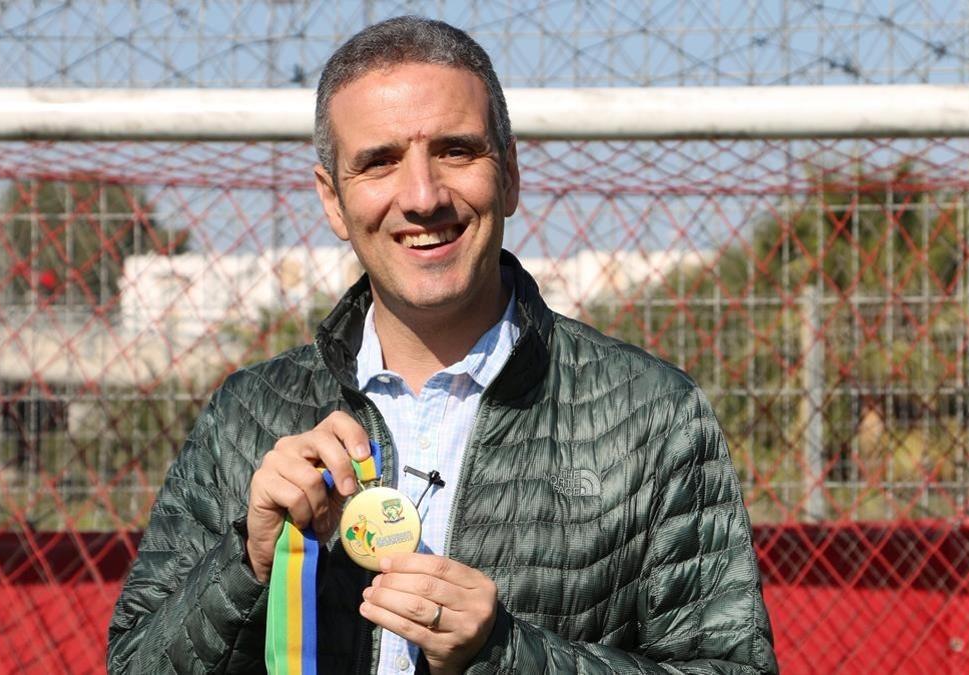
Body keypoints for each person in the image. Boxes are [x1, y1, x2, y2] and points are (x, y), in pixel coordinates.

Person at [108, 15, 777, 675]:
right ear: (333, 200)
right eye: (380, 162)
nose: (423, 196)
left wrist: (508, 655)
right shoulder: (249, 414)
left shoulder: (653, 415)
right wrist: (246, 562)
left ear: (509, 175)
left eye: (456, 151)